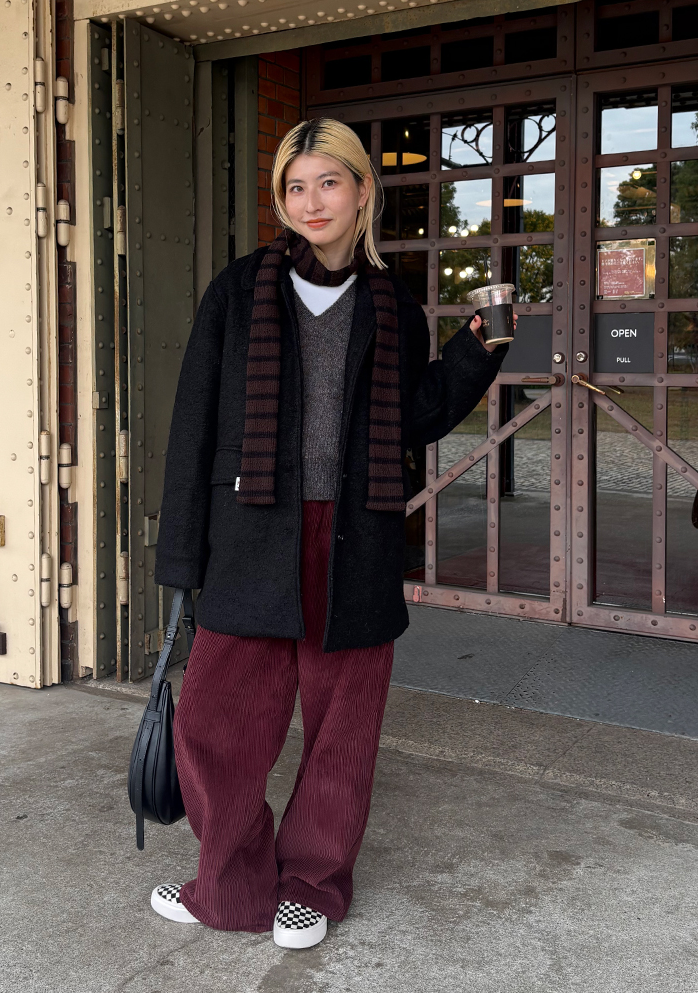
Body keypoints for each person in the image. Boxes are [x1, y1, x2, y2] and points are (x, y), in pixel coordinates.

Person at [149, 118, 510, 949]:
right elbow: (194, 424)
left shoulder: (392, 303)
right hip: (251, 533)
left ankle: (310, 885)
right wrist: (182, 556)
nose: (311, 202)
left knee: (343, 730)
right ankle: (231, 885)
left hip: (355, 536)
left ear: (361, 191)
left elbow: (412, 417)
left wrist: (475, 352)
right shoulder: (239, 291)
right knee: (213, 722)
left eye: (329, 183)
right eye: (295, 187)